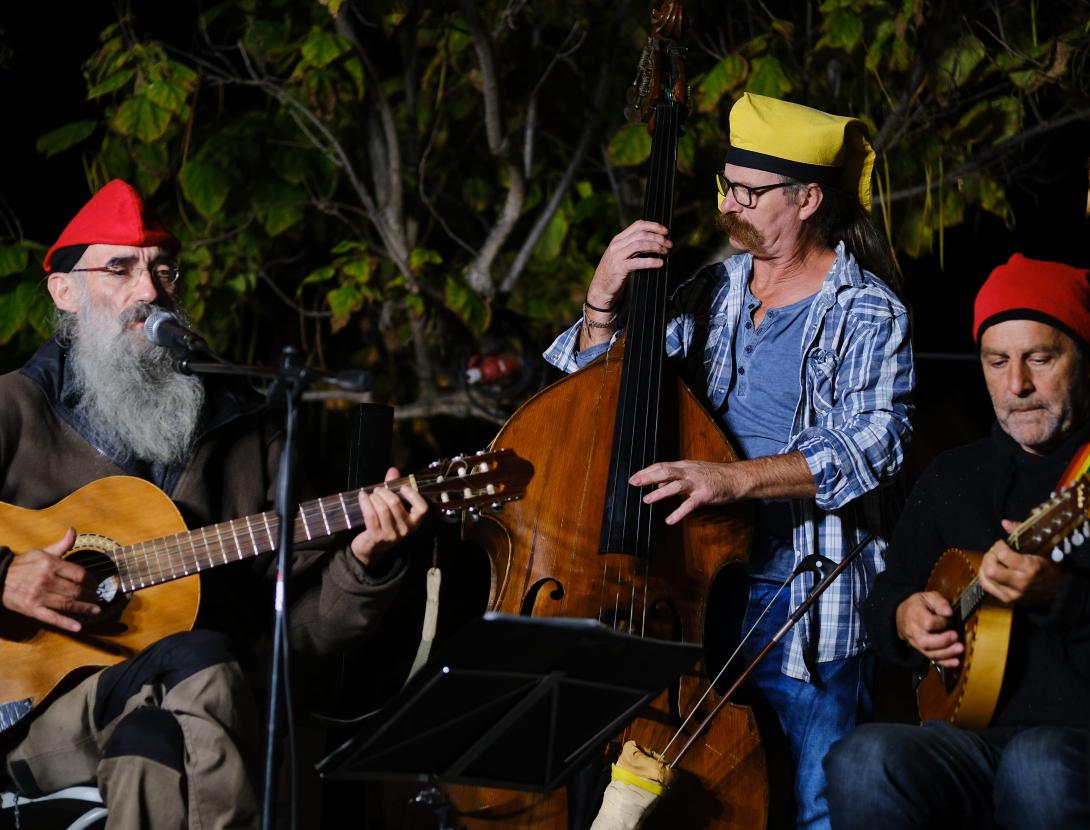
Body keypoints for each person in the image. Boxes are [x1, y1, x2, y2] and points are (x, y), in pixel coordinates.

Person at [0, 179, 428, 828]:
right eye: (120, 268)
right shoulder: (14, 406)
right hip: (30, 714)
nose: (149, 291)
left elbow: (303, 632)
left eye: (163, 270)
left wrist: (366, 560)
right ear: (65, 290)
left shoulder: (250, 433)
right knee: (198, 654)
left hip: (182, 720)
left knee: (154, 744)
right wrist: (5, 575)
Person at [544, 93, 914, 829]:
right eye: (726, 186)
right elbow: (598, 390)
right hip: (692, 587)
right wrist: (602, 298)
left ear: (808, 198)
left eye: (749, 192)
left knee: (814, 807)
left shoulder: (867, 310)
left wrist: (734, 478)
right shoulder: (712, 290)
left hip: (803, 602)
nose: (729, 204)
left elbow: (876, 440)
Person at [824, 254, 1090, 829]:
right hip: (970, 741)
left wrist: (1061, 596)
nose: (1018, 384)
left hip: (1075, 743)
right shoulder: (952, 477)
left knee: (1036, 763)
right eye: (998, 362)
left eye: (1040, 358)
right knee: (863, 757)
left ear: (1083, 359)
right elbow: (888, 592)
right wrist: (903, 616)